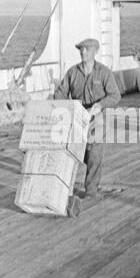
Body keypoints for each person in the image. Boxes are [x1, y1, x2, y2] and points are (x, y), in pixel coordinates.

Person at [54, 38, 121, 199]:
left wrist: (99, 105)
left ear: (95, 52)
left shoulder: (103, 72)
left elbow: (115, 95)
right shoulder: (72, 72)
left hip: (98, 117)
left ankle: (91, 191)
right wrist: (66, 108)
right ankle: (64, 186)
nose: (83, 52)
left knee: (95, 153)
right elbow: (59, 94)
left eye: (87, 49)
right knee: (76, 151)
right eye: (81, 49)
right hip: (77, 116)